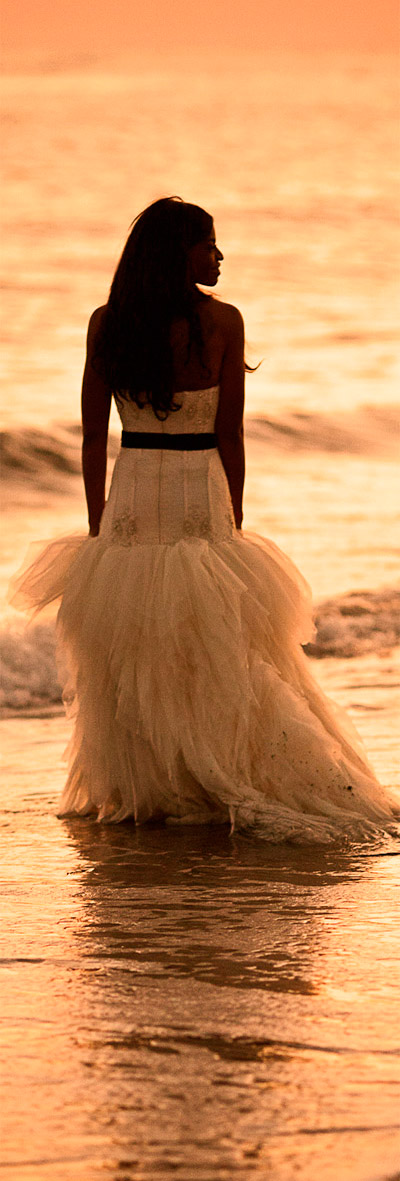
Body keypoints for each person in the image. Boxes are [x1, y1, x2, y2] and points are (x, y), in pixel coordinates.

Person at [12, 196, 398, 841]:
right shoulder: (223, 322)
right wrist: (233, 515)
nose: (219, 256)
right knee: (223, 645)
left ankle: (159, 786)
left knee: (139, 647)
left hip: (132, 490)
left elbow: (89, 436)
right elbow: (231, 435)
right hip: (197, 492)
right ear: (178, 253)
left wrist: (100, 522)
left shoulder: (108, 322)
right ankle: (211, 771)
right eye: (208, 245)